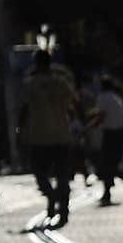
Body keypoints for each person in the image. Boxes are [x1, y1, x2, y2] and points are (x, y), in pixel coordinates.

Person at [17, 49, 75, 225]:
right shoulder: (61, 82)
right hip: (62, 135)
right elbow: (72, 103)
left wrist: (20, 129)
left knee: (39, 173)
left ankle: (52, 196)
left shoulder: (30, 83)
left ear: (35, 63)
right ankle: (63, 209)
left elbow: (24, 108)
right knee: (62, 174)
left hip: (39, 136)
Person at [89, 76, 123, 206]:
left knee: (107, 165)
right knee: (111, 165)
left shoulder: (103, 98)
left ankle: (109, 192)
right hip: (119, 134)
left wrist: (89, 127)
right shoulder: (117, 99)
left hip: (110, 135)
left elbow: (101, 116)